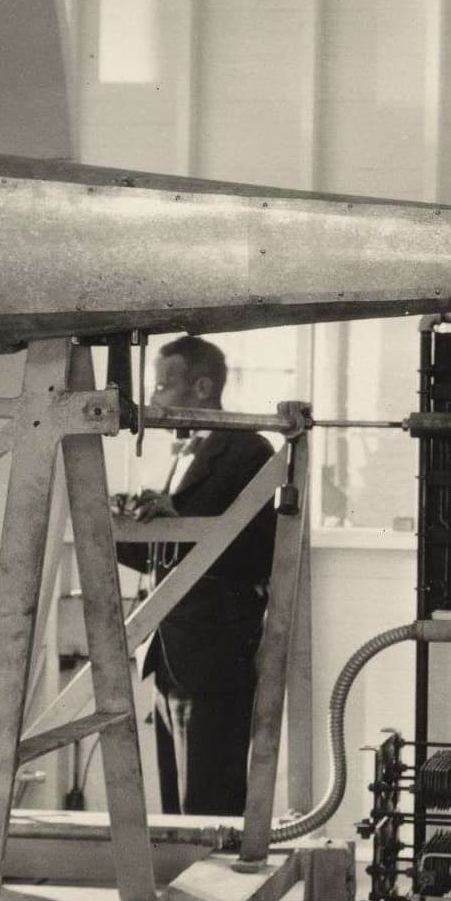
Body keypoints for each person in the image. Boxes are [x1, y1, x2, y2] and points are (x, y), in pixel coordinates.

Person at [113, 336, 275, 818]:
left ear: (203, 387)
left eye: (164, 385)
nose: (155, 399)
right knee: (178, 810)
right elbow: (163, 557)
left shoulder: (248, 451)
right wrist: (123, 523)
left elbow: (245, 550)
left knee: (208, 807)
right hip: (170, 657)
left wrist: (174, 512)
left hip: (211, 659)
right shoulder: (186, 456)